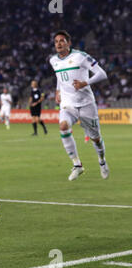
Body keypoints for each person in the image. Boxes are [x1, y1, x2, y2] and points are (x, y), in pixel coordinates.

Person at [50, 30, 109, 181]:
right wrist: (58, 90)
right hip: (67, 103)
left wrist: (85, 83)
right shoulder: (53, 60)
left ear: (69, 43)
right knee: (63, 126)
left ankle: (102, 161)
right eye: (56, 41)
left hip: (86, 103)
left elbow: (102, 74)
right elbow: (59, 76)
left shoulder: (80, 56)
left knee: (95, 138)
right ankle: (77, 165)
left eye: (62, 40)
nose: (59, 44)